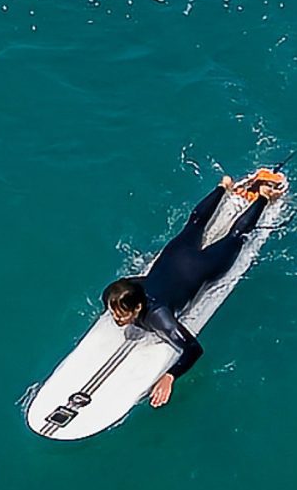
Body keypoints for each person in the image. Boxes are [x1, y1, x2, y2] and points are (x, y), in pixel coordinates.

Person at [101, 169, 287, 409]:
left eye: (122, 313)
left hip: (203, 267)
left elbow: (193, 349)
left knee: (237, 236)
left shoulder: (159, 317)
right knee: (195, 222)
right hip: (174, 255)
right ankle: (223, 187)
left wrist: (170, 376)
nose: (116, 317)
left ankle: (263, 196)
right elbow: (128, 282)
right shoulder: (113, 292)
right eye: (113, 311)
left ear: (138, 306)